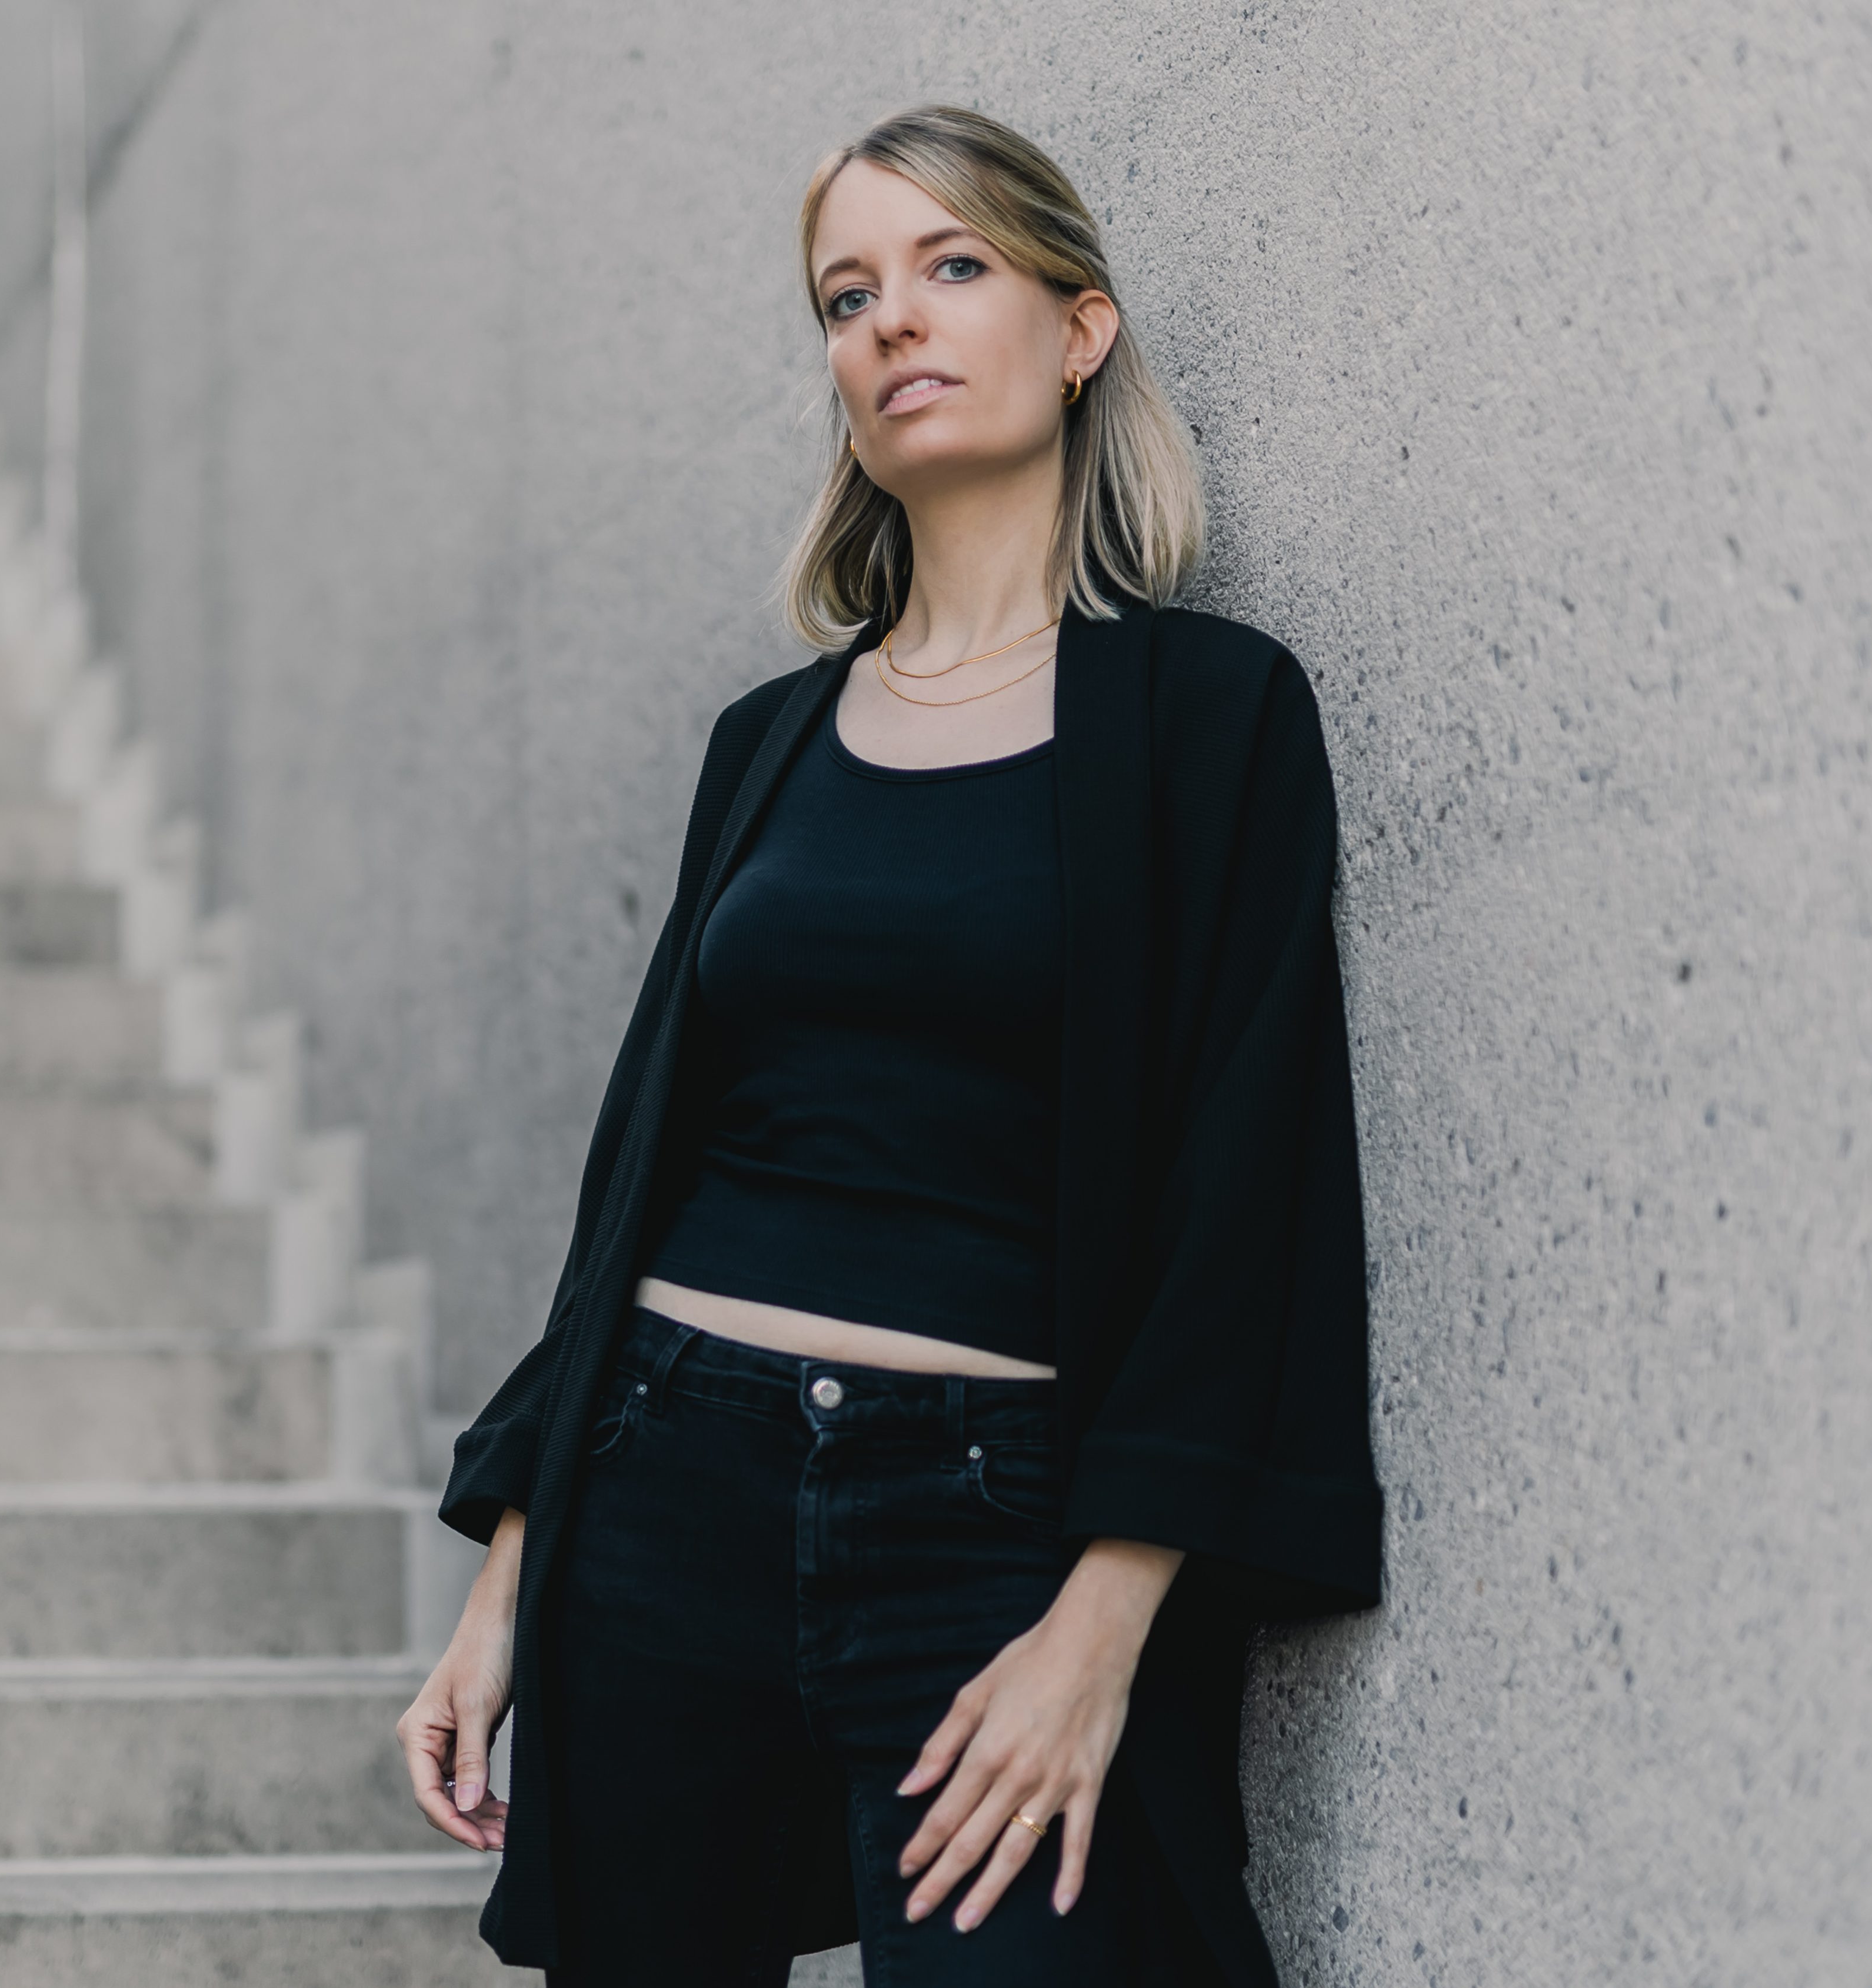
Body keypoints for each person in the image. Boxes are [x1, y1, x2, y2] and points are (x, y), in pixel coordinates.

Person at [394, 104, 1384, 1987]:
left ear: (1076, 328)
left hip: (993, 1522)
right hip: (663, 1487)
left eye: (950, 269)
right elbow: (637, 1179)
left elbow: (1246, 1187)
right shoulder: (763, 741)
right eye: (848, 296)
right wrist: (508, 1577)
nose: (890, 325)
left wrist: (1101, 1630)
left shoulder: (1210, 718)